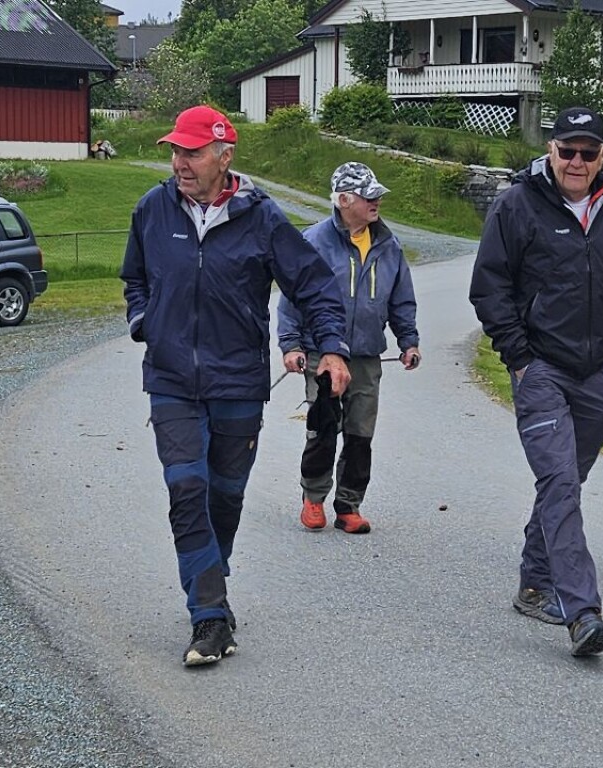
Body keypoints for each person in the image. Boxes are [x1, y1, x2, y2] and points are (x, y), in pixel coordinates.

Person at [120, 105, 352, 667]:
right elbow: (135, 276)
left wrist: (333, 350)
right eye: (175, 150)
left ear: (225, 157)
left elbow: (315, 287)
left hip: (238, 385)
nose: (179, 162)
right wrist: (143, 321)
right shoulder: (153, 209)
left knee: (224, 499)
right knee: (186, 490)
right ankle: (209, 616)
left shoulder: (262, 218)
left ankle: (210, 595)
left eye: (192, 152)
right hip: (172, 380)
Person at [469, 107, 603, 657]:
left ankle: (532, 581)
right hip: (541, 368)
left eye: (588, 152)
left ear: (602, 155)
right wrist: (519, 358)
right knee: (560, 481)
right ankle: (582, 610)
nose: (576, 161)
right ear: (550, 149)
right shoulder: (517, 203)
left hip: (599, 371)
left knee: (565, 480)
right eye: (566, 150)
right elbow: (489, 286)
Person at [278, 162, 421, 535]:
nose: (376, 201)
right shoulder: (312, 242)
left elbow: (401, 299)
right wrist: (290, 344)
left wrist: (409, 340)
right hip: (319, 353)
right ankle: (314, 498)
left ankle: (349, 505)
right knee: (323, 426)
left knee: (360, 433)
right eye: (367, 195)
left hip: (367, 356)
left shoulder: (389, 245)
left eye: (377, 195)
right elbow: (292, 299)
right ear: (344, 200)